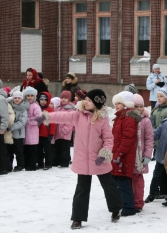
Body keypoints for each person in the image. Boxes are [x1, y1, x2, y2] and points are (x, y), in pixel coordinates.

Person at [32, 89, 123, 229]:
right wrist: (46, 117)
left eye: (89, 101)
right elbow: (62, 116)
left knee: (108, 185)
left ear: (96, 104)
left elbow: (108, 139)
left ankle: (116, 209)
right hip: (82, 159)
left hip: (98, 159)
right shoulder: (78, 115)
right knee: (82, 189)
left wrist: (104, 155)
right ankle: (77, 218)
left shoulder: (102, 119)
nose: (85, 102)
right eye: (85, 99)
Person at [111, 91, 141, 217]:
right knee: (117, 181)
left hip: (124, 156)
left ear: (126, 104)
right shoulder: (119, 118)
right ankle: (123, 203)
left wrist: (119, 154)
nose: (117, 105)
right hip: (117, 155)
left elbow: (127, 139)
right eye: (115, 103)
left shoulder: (128, 119)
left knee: (123, 182)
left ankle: (129, 207)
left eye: (119, 103)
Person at [146, 86, 167, 201]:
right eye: (157, 96)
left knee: (166, 169)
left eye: (161, 96)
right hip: (157, 142)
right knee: (159, 169)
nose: (158, 98)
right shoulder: (156, 109)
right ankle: (160, 191)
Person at [131, 94, 153, 212]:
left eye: (141, 106)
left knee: (138, 180)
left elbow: (149, 139)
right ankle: (129, 200)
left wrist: (147, 155)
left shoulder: (145, 121)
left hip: (140, 156)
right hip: (129, 156)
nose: (139, 108)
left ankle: (138, 202)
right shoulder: (129, 119)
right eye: (136, 106)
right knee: (128, 180)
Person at [52, 91, 75, 168]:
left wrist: (65, 129)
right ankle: (57, 160)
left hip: (65, 132)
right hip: (58, 132)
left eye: (65, 98)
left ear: (69, 99)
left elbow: (71, 121)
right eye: (62, 98)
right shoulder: (59, 108)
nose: (63, 99)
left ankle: (65, 161)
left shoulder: (70, 108)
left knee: (65, 148)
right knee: (58, 147)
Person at [7, 91, 28, 172]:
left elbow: (22, 122)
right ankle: (9, 166)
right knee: (9, 151)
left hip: (19, 134)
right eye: (15, 98)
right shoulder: (10, 107)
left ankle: (20, 165)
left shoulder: (23, 109)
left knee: (19, 151)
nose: (17, 99)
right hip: (10, 134)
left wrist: (10, 127)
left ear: (22, 99)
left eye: (19, 98)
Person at [36, 92, 56, 170]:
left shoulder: (50, 110)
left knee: (47, 150)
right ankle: (40, 163)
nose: (43, 101)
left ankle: (48, 163)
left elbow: (53, 123)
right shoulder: (37, 109)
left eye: (45, 100)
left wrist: (51, 133)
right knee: (39, 150)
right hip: (38, 134)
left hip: (46, 134)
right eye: (41, 99)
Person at [23, 86, 41, 171]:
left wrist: (27, 121)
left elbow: (38, 119)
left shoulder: (36, 106)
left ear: (34, 97)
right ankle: (26, 165)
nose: (30, 97)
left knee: (32, 151)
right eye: (28, 95)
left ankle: (32, 165)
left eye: (31, 95)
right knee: (26, 150)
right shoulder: (24, 105)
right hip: (25, 132)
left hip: (33, 132)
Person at [0, 86, 10, 175]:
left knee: (1, 149)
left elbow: (4, 115)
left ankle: (3, 168)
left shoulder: (1, 99)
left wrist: (2, 127)